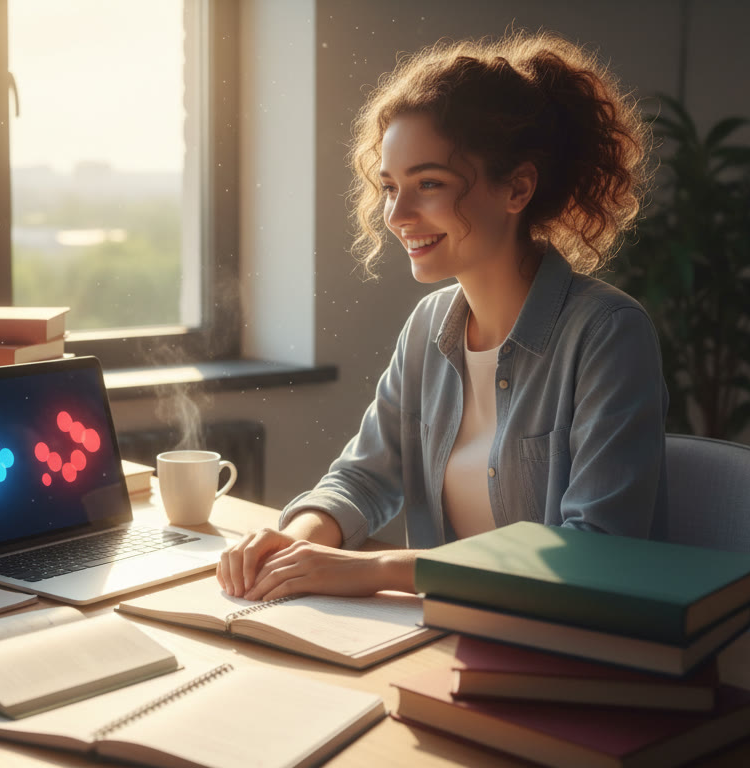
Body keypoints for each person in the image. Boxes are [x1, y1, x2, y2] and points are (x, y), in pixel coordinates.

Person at [218, 31, 669, 603]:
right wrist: (295, 540)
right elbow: (363, 476)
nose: (398, 214)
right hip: (448, 635)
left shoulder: (607, 333)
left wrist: (379, 570)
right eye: (389, 187)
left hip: (577, 648)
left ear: (517, 188)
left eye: (429, 184)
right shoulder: (428, 327)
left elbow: (591, 548)